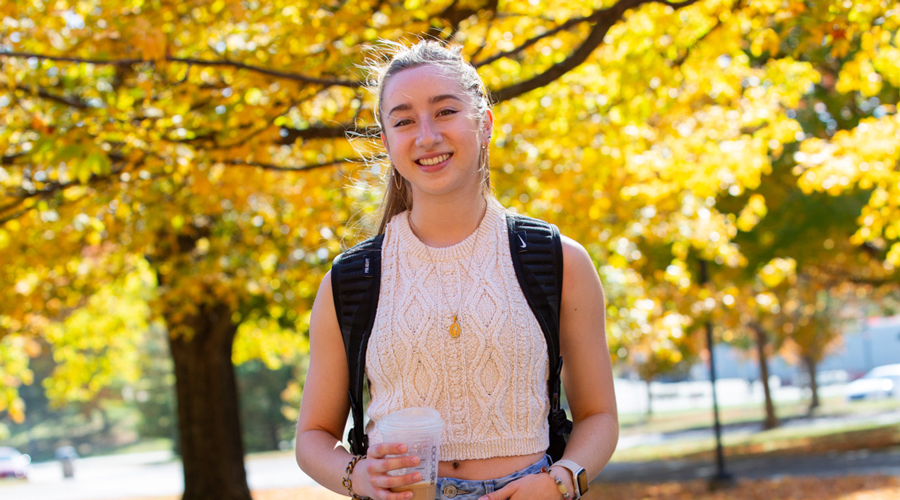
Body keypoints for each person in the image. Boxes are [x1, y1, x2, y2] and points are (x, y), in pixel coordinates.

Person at [295, 40, 618, 500]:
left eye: (445, 111)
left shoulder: (558, 259)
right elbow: (312, 436)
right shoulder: (351, 280)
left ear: (484, 123)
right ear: (386, 142)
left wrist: (562, 481)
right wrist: (358, 475)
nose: (426, 136)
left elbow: (599, 415)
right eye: (404, 121)